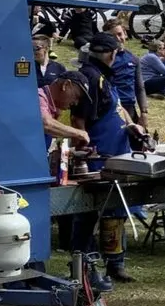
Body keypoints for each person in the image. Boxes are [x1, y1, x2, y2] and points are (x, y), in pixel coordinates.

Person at [70, 32, 140, 288]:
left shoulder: (103, 77)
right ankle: (84, 265)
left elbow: (118, 108)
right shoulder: (91, 78)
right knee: (88, 212)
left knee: (115, 212)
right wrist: (85, 151)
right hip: (98, 156)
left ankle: (115, 262)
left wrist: (131, 125)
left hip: (116, 152)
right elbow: (78, 121)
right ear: (111, 54)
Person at [104, 19, 148, 130]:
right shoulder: (104, 59)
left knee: (139, 141)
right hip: (111, 108)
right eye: (113, 36)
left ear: (125, 34)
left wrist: (144, 112)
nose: (117, 38)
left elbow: (140, 87)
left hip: (129, 107)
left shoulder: (133, 59)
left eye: (119, 34)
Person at [39, 71, 90, 148]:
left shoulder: (51, 107)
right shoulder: (39, 96)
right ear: (65, 85)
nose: (76, 103)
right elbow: (46, 124)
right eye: (76, 96)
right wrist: (79, 133)